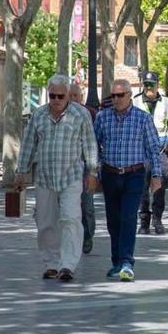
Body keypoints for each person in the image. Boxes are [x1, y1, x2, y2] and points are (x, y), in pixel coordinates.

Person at [16, 75, 98, 282]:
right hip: (44, 177)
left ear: (69, 96)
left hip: (71, 176)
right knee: (45, 222)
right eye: (52, 96)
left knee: (70, 218)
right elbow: (28, 144)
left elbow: (89, 145)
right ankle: (51, 263)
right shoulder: (38, 115)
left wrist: (93, 172)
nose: (56, 100)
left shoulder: (80, 115)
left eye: (60, 96)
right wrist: (20, 171)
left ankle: (68, 265)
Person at [94, 79, 163, 282]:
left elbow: (153, 149)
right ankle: (117, 262)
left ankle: (126, 262)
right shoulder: (102, 117)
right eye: (113, 96)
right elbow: (94, 146)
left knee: (128, 217)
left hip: (134, 174)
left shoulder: (143, 118)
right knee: (113, 221)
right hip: (110, 174)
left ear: (129, 95)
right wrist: (95, 172)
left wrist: (157, 176)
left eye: (120, 95)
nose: (116, 99)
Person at [134, 72, 168, 235]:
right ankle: (144, 221)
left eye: (151, 84)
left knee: (159, 187)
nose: (148, 87)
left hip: (161, 151)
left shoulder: (167, 103)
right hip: (141, 151)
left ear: (157, 85)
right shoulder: (135, 101)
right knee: (142, 187)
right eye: (145, 84)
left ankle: (157, 219)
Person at [69, 84, 98, 253]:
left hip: (86, 166)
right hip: (66, 167)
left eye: (75, 95)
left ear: (81, 96)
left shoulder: (91, 114)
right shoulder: (60, 114)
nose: (72, 99)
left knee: (86, 204)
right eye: (70, 95)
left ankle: (87, 236)